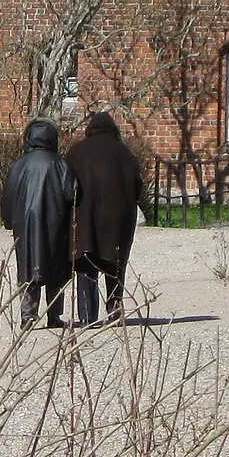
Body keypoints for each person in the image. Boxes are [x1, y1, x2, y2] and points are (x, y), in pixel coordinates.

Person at [66, 111, 143, 325]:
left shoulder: (76, 153)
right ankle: (114, 307)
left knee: (86, 261)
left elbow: (66, 188)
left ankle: (87, 314)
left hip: (85, 216)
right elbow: (138, 189)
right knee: (115, 263)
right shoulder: (125, 154)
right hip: (118, 219)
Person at [1, 118, 78, 329]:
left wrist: (9, 220)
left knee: (28, 267)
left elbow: (9, 196)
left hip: (24, 225)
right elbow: (72, 194)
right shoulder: (60, 164)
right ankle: (54, 315)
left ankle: (28, 315)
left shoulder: (18, 166)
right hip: (55, 223)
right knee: (56, 269)